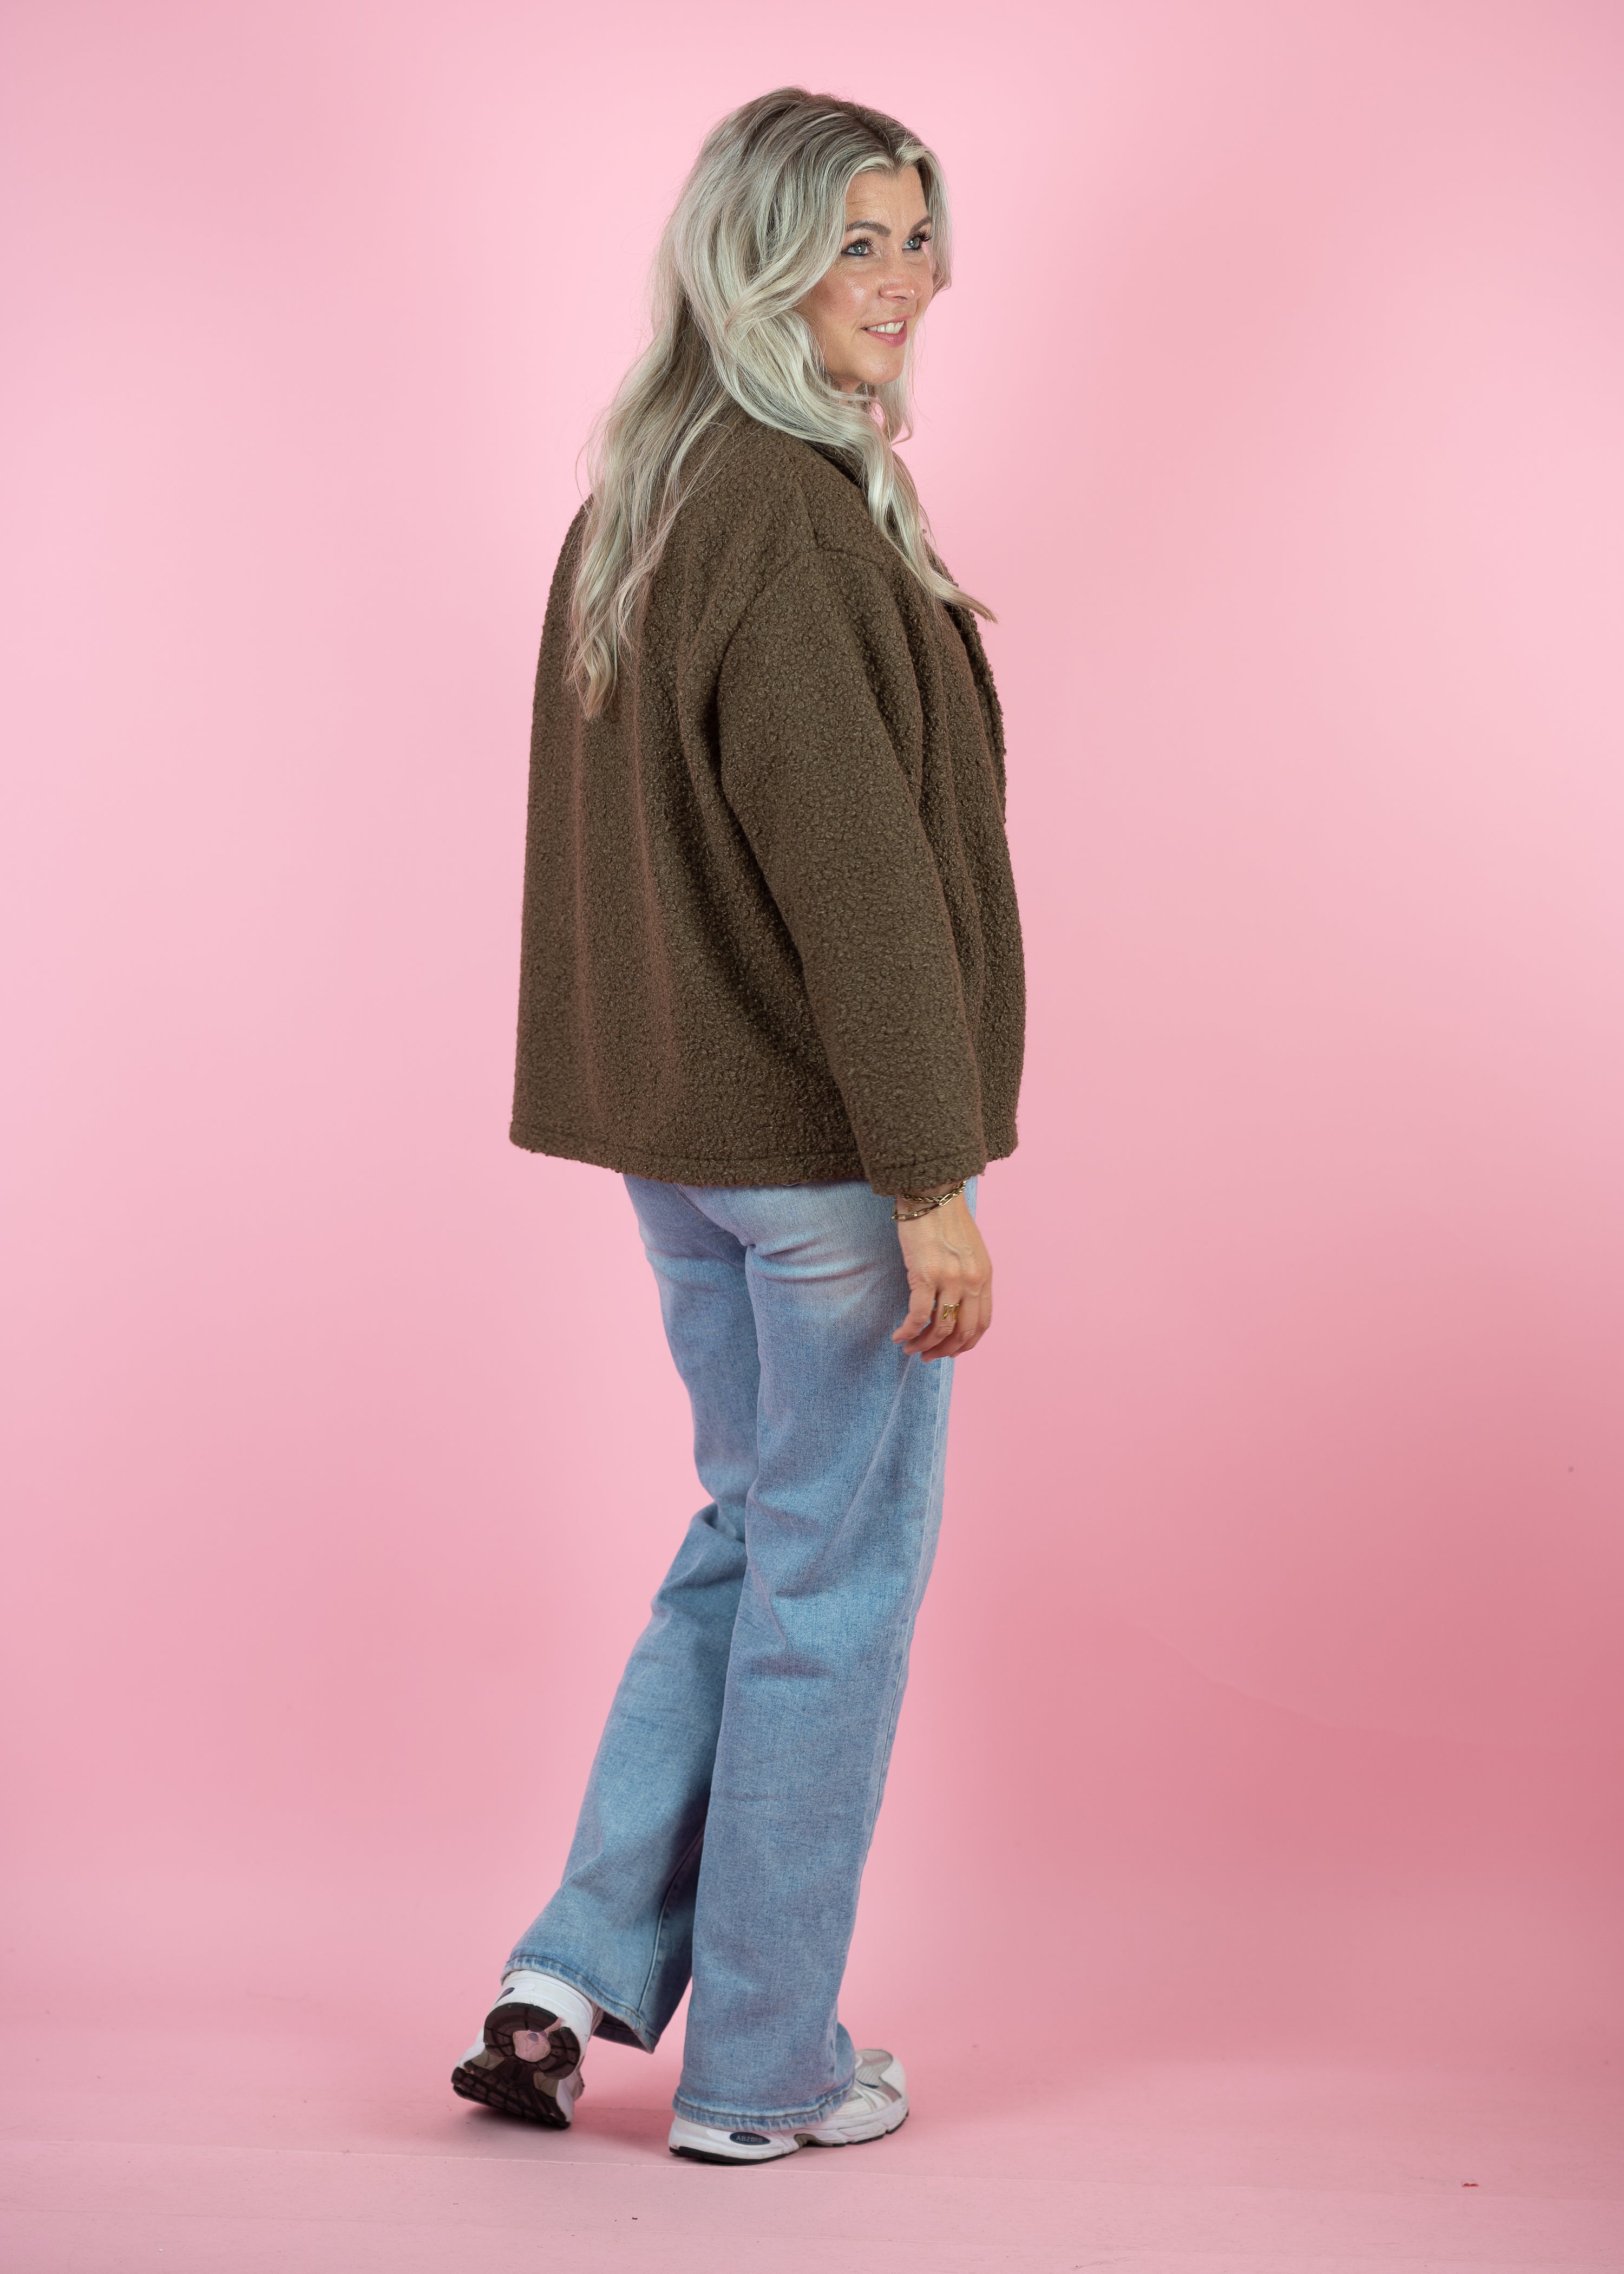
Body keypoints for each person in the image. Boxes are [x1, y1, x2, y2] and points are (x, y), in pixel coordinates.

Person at [452, 86, 1025, 2166]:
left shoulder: (652, 489)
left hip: (683, 1142)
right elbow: (855, 878)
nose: (906, 279)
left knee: (755, 1537)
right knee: (829, 1596)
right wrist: (929, 1178)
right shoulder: (784, 512)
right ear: (754, 260)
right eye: (857, 241)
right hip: (816, 1152)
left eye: (917, 236)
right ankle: (767, 2071)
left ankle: (571, 1972)